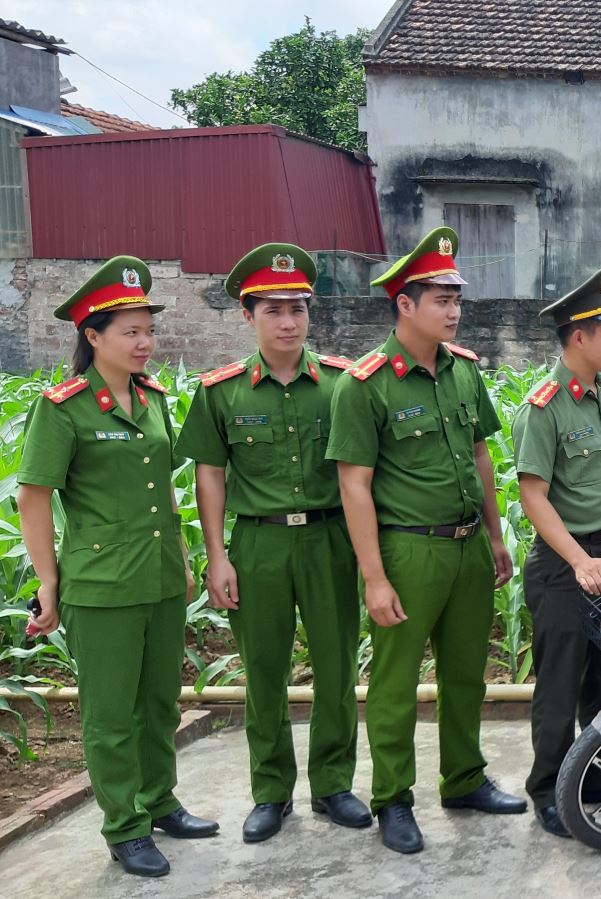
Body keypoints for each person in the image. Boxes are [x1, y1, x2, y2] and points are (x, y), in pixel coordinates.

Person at [17, 256, 218, 878]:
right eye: (129, 331)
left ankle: (159, 801)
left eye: (147, 330)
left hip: (158, 578)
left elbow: (164, 492)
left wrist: (182, 561)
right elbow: (33, 497)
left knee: (160, 703)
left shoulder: (154, 399)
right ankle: (124, 826)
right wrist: (48, 584)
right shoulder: (65, 408)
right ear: (92, 337)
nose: (144, 343)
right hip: (100, 585)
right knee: (110, 714)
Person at [326, 227, 524, 855]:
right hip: (409, 550)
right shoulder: (365, 384)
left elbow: (481, 457)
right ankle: (393, 798)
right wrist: (375, 576)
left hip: (468, 547)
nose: (454, 310)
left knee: (467, 674)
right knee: (394, 682)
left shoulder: (463, 373)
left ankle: (464, 779)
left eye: (456, 298)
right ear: (404, 304)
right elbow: (354, 485)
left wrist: (496, 537)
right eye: (440, 299)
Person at [175, 243, 369, 843]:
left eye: (298, 309)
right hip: (256, 544)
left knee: (336, 667)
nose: (288, 322)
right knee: (263, 672)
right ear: (247, 315)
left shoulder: (341, 385)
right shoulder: (221, 392)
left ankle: (334, 785)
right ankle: (270, 792)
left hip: (329, 539)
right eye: (273, 311)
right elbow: (210, 473)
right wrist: (216, 555)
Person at [512, 265, 601, 838]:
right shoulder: (544, 407)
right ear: (578, 338)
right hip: (569, 567)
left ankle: (593, 775)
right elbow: (533, 496)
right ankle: (548, 790)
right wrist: (579, 560)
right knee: (561, 683)